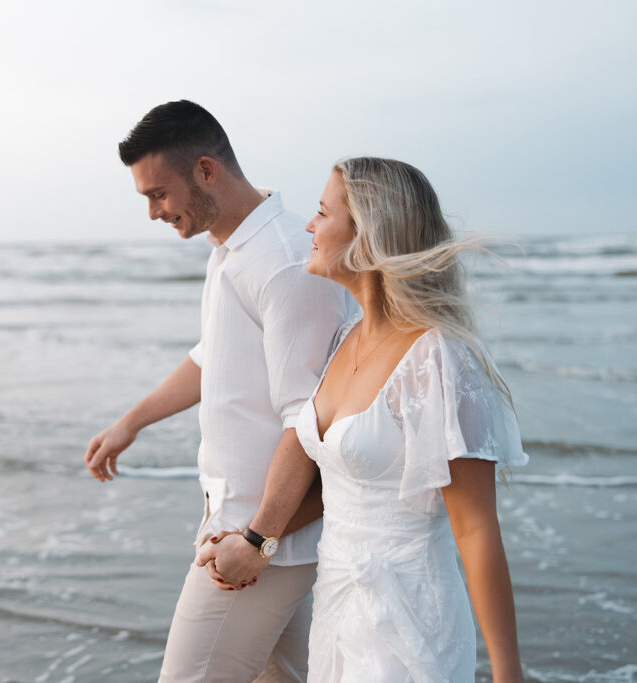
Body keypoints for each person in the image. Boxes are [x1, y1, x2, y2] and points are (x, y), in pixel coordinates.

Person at [198, 157, 528, 682]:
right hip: (336, 609)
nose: (309, 224)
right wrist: (252, 537)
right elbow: (338, 484)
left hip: (409, 622)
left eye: (323, 212)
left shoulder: (436, 358)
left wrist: (508, 674)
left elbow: (476, 527)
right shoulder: (345, 339)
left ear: (368, 238)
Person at [83, 100, 353, 682]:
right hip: (247, 531)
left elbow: (308, 423)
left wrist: (256, 541)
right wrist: (133, 421)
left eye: (158, 194)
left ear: (207, 170)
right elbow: (215, 358)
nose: (154, 212)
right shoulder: (231, 249)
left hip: (258, 540)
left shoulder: (283, 263)